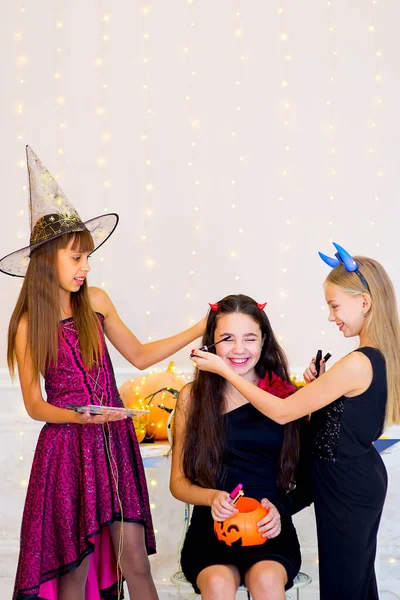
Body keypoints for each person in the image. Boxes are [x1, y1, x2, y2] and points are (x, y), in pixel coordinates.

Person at [2, 146, 205, 600]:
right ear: (46, 260)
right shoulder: (28, 325)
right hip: (67, 452)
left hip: (113, 444)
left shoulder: (96, 302)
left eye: (87, 258)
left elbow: (138, 354)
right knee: (72, 569)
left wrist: (199, 327)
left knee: (134, 561)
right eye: (76, 259)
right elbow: (35, 405)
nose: (86, 268)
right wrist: (81, 417)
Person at [191, 243, 400, 600]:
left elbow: (284, 411)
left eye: (335, 305)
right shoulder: (368, 360)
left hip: (348, 483)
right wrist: (318, 388)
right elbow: (335, 422)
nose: (332, 316)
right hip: (344, 479)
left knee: (345, 587)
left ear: (364, 302)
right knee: (354, 584)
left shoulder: (358, 362)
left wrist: (226, 371)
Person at [170, 294, 311, 600]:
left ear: (264, 341)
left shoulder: (286, 398)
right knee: (218, 585)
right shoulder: (192, 399)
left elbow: (309, 483)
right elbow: (179, 484)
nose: (238, 349)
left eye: (249, 338)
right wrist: (212, 497)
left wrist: (280, 511)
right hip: (211, 529)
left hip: (269, 529)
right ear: (211, 344)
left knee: (266, 582)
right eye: (227, 338)